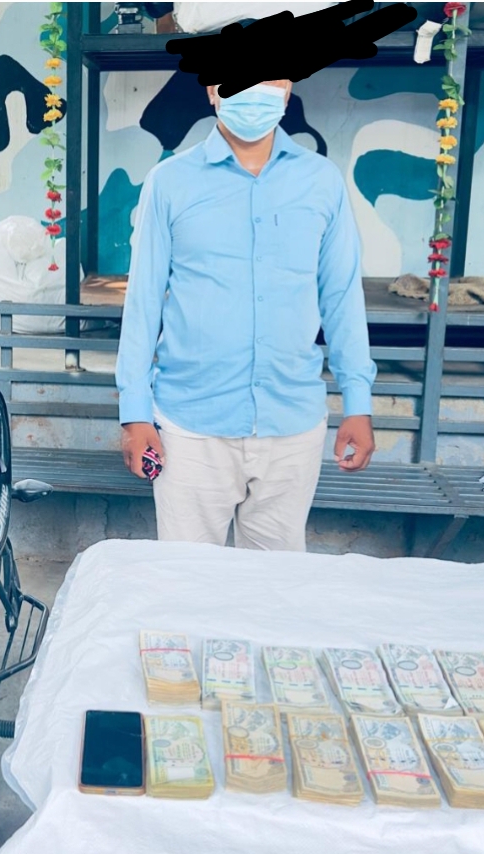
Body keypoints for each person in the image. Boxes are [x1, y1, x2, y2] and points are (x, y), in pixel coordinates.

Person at [116, 79, 377, 551]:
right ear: (211, 88)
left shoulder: (322, 181)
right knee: (189, 580)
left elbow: (341, 297)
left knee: (274, 584)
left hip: (292, 423)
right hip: (191, 425)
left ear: (288, 86)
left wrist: (358, 403)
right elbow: (143, 302)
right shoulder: (170, 181)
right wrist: (134, 414)